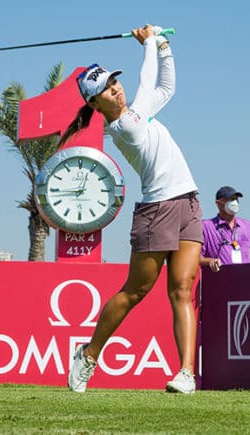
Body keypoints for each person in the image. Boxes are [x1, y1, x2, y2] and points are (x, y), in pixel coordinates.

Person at [59, 24, 202, 394]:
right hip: (157, 211)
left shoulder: (137, 112)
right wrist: (149, 43)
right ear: (95, 104)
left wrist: (165, 46)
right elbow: (146, 80)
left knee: (182, 289)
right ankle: (89, 355)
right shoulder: (126, 126)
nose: (115, 88)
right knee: (135, 292)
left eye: (114, 82)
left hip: (188, 202)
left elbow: (165, 88)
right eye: (106, 88)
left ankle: (186, 373)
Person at [200, 185, 250, 272]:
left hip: (247, 280)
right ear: (218, 204)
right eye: (230, 199)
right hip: (220, 281)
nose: (235, 202)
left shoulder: (248, 226)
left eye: (236, 199)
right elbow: (196, 257)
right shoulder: (206, 227)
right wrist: (209, 261)